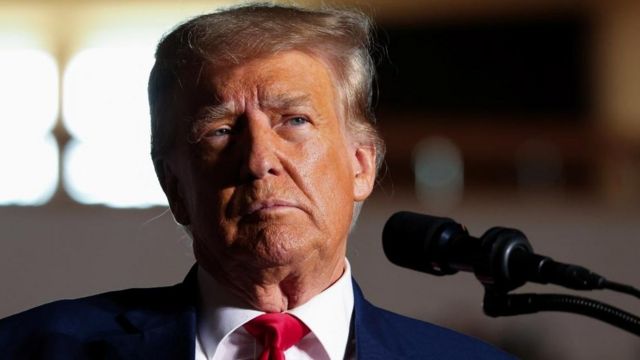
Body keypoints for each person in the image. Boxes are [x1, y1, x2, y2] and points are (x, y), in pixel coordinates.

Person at [0, 3, 514, 359]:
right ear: (174, 185)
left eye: (294, 121)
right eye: (222, 131)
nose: (259, 160)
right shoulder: (32, 348)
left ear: (361, 165)